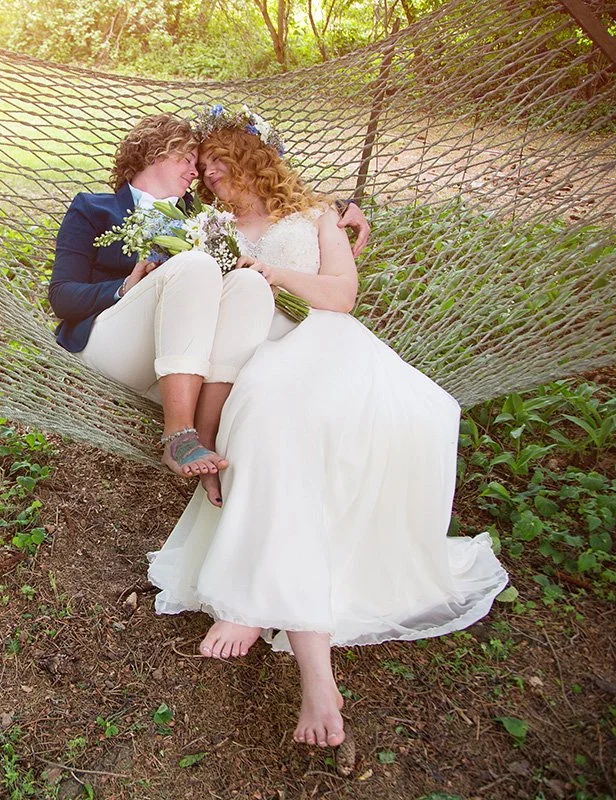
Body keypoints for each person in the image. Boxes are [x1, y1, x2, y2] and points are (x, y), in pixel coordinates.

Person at [146, 105, 509, 749]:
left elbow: (342, 295)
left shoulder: (315, 214)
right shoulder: (204, 225)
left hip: (324, 343)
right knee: (270, 414)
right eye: (203, 168)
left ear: (252, 156)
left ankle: (263, 618)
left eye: (220, 160)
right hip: (249, 357)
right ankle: (304, 659)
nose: (210, 174)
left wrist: (272, 271)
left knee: (289, 411)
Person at [49, 113, 370, 504]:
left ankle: (203, 436)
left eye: (202, 164)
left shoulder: (203, 218)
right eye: (189, 160)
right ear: (155, 153)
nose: (197, 172)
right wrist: (123, 286)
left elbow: (266, 207)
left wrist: (341, 207)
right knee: (197, 264)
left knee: (249, 283)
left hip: (180, 361)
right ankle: (179, 435)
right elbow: (62, 297)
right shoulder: (92, 208)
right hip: (113, 339)